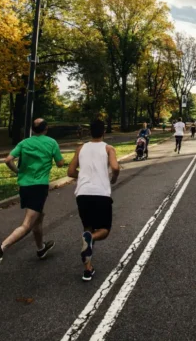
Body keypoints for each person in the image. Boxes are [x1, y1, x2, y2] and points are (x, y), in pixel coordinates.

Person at [0, 118, 65, 275]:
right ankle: (1, 248)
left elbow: (8, 159)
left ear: (32, 129)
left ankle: (41, 249)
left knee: (39, 217)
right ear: (46, 128)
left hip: (25, 186)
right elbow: (60, 164)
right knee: (27, 224)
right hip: (39, 186)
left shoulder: (24, 143)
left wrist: (18, 171)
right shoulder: (51, 142)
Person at [67, 119, 120, 281]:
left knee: (88, 229)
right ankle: (92, 240)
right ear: (103, 132)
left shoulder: (80, 148)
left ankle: (88, 270)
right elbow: (116, 167)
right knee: (103, 230)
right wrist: (113, 179)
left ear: (90, 132)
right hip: (101, 193)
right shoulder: (108, 148)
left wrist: (82, 176)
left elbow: (70, 172)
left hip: (82, 194)